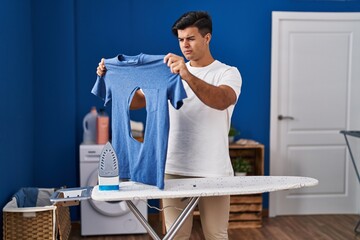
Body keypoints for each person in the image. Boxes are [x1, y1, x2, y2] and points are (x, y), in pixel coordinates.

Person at [96, 11, 242, 240]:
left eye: (191, 38)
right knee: (175, 236)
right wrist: (111, 79)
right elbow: (136, 102)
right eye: (181, 40)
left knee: (216, 235)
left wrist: (187, 75)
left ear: (207, 38)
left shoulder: (227, 73)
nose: (185, 45)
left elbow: (221, 100)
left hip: (214, 170)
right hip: (173, 167)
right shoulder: (169, 73)